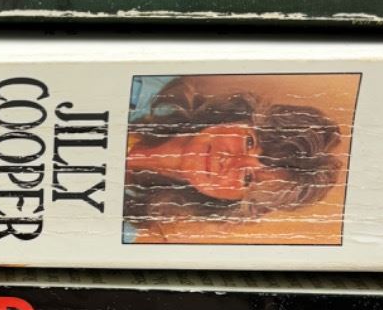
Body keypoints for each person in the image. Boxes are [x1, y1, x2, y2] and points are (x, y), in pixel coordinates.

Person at [123, 76, 342, 239]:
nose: (233, 161)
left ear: (230, 202)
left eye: (248, 178)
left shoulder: (124, 229)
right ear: (237, 117)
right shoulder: (145, 85)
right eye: (250, 142)